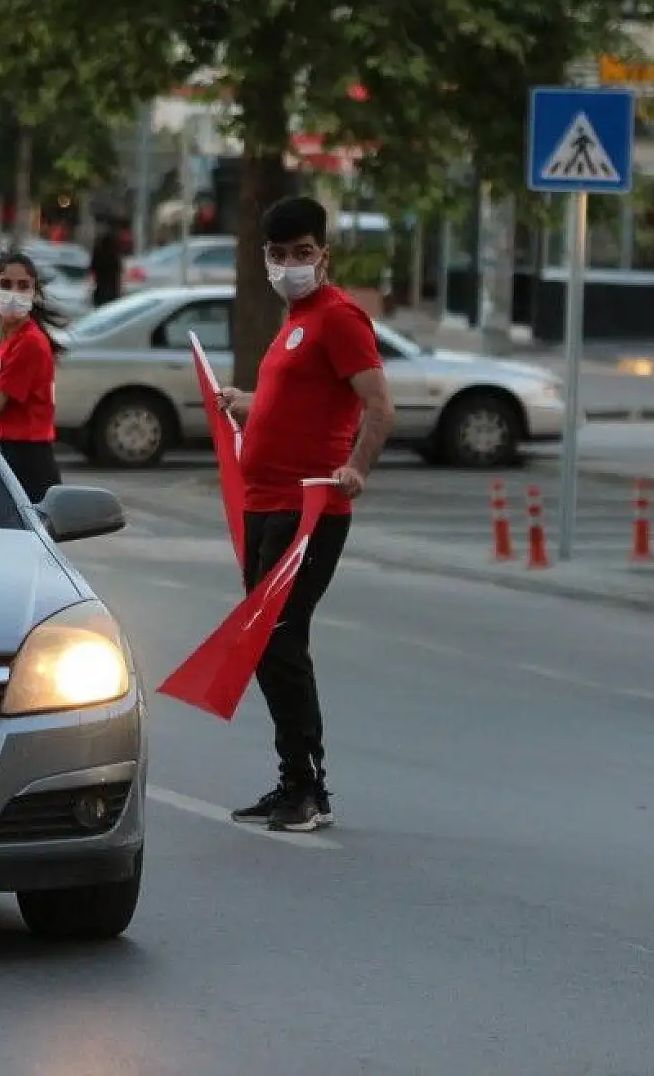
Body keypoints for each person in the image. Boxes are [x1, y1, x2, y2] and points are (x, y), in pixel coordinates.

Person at [215, 196, 396, 833]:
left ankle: (308, 790)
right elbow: (295, 402)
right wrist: (245, 403)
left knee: (280, 640)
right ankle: (293, 781)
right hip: (264, 504)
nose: (289, 264)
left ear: (323, 254)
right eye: (277, 254)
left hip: (310, 505)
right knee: (268, 645)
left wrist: (357, 470)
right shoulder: (294, 320)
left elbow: (378, 403)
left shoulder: (339, 318)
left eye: (301, 253)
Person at [0, 251, 66, 503]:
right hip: (3, 453)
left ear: (34, 292)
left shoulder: (29, 343)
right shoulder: (7, 341)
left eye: (23, 286)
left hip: (26, 460)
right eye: (5, 284)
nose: (14, 292)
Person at [89, 219, 123, 307]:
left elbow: (93, 269)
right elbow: (118, 272)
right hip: (112, 290)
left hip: (100, 289)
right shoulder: (114, 254)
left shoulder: (98, 253)